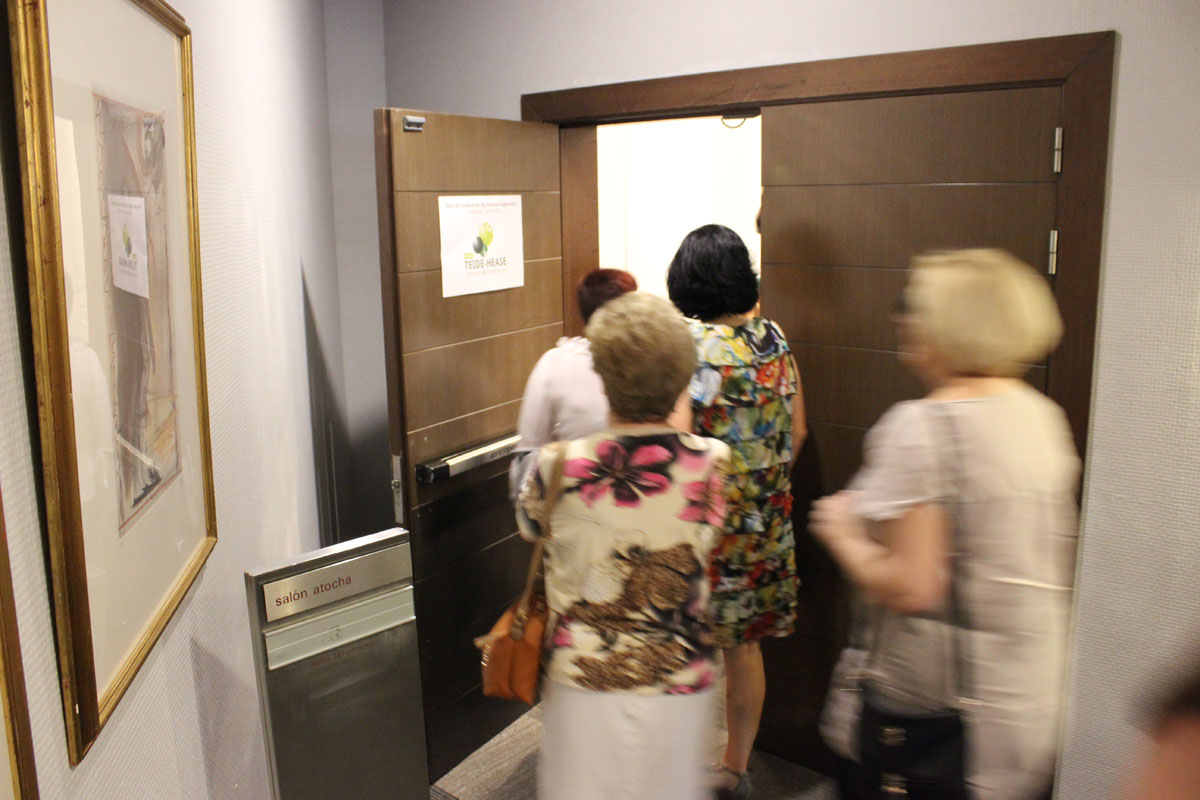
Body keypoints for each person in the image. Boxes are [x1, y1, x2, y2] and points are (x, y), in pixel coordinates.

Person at [809, 249, 1079, 800]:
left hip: (933, 724)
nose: (903, 318)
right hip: (1020, 710)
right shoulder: (1039, 416)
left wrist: (840, 530)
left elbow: (911, 586)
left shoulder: (925, 426)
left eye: (916, 306)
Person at [515, 292, 731, 800]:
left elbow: (529, 527)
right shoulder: (712, 462)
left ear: (604, 375)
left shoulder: (557, 464)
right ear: (681, 377)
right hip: (679, 675)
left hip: (582, 678)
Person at [667, 224, 805, 799]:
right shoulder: (774, 339)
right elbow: (798, 431)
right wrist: (759, 487)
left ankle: (670, 764)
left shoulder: (692, 348)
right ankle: (735, 767)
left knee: (679, 641)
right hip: (766, 521)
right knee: (743, 647)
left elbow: (677, 441)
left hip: (708, 527)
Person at [509, 268, 637, 498]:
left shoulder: (555, 362)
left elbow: (530, 447)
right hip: (639, 493)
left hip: (572, 497)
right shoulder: (650, 362)